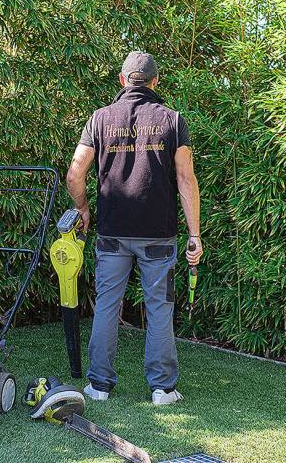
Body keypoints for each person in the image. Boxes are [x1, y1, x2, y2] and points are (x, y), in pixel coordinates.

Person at [65, 51, 203, 406]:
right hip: (159, 234)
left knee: (107, 305)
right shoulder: (172, 120)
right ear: (155, 82)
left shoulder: (99, 119)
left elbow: (74, 172)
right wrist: (195, 235)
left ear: (123, 80)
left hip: (112, 232)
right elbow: (186, 179)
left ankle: (99, 387)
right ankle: (162, 389)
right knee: (159, 307)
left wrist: (82, 209)